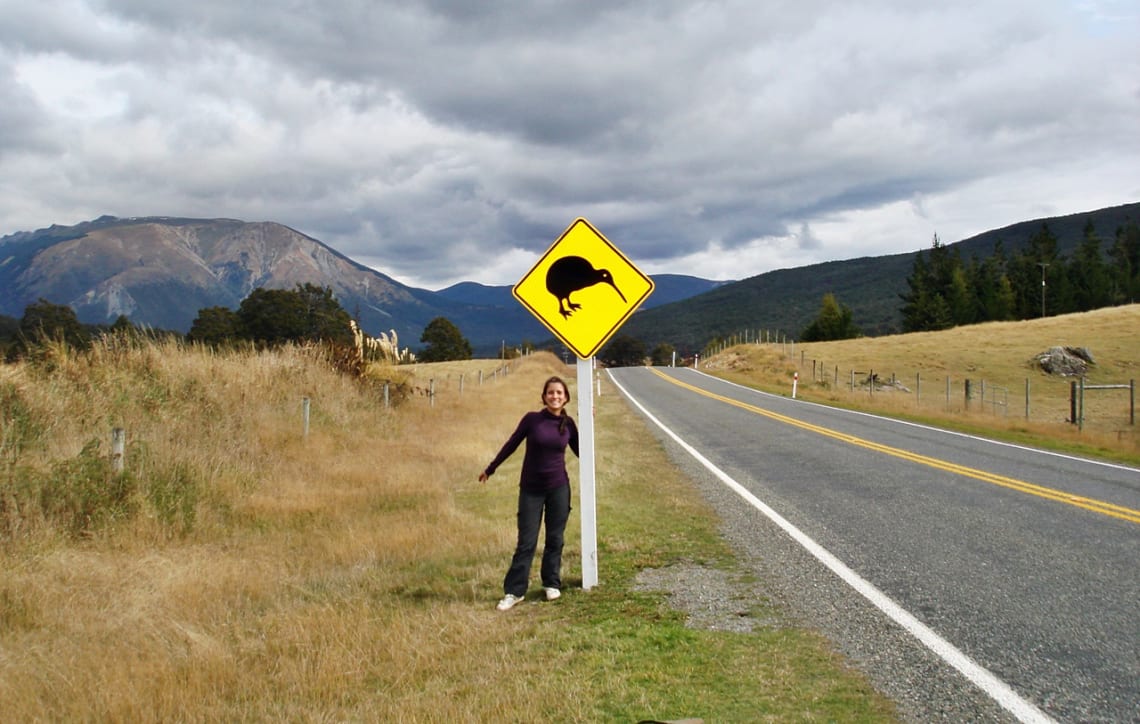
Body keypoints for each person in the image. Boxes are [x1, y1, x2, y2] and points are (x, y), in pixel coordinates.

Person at [479, 375, 579, 611]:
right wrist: (490, 469)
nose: (555, 396)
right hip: (531, 490)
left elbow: (583, 452)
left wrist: (590, 425)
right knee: (527, 542)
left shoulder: (569, 424)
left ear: (566, 398)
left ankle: (551, 583)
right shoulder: (532, 420)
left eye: (559, 393)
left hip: (559, 488)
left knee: (555, 539)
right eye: (551, 392)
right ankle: (514, 592)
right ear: (544, 396)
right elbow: (511, 444)